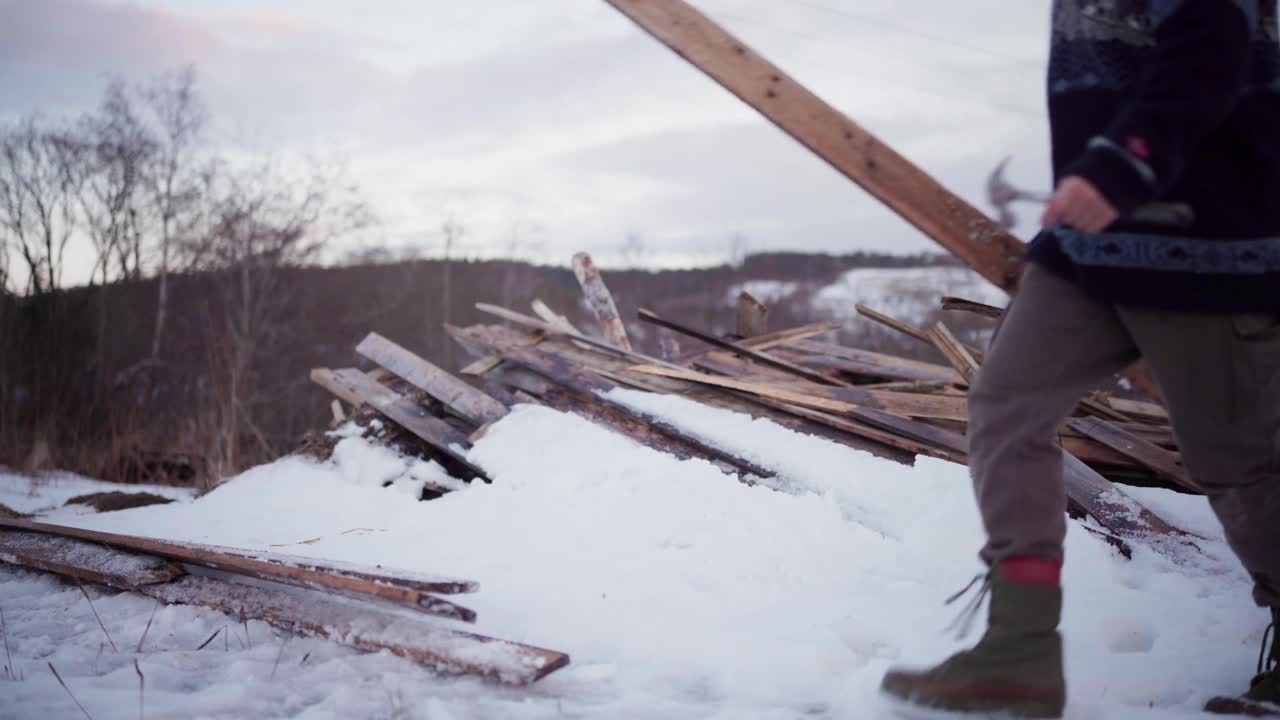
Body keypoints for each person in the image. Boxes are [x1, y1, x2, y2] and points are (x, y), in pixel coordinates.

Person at [878, 1, 1280, 717]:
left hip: (1205, 241)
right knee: (1007, 407)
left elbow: (1209, 51)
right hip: (1090, 249)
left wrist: (1121, 166)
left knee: (1237, 457)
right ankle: (1019, 647)